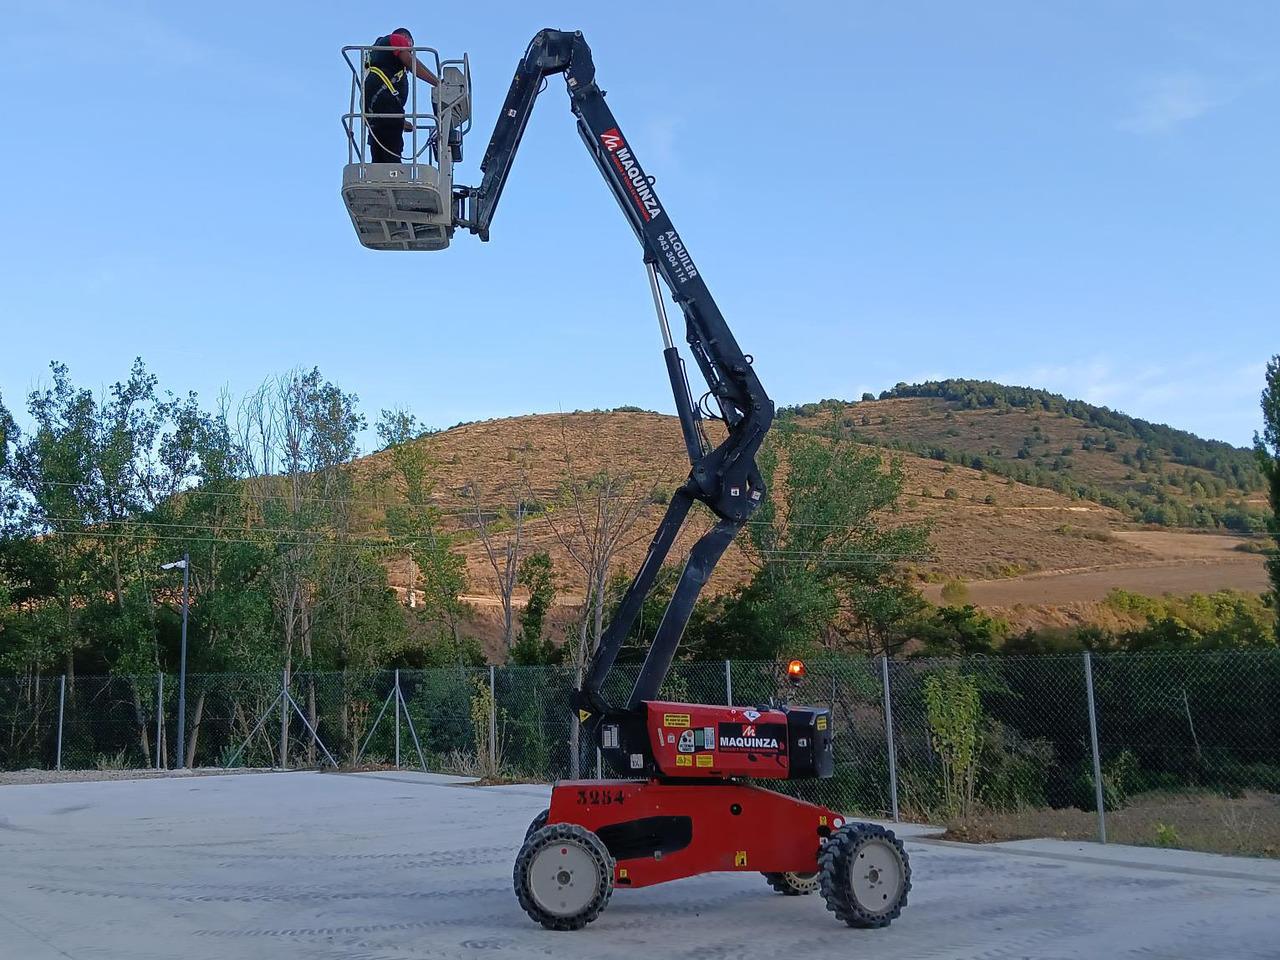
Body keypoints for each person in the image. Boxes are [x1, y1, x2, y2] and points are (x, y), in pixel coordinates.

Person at [363, 28, 439, 163]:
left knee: (380, 143)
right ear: (407, 39)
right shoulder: (397, 39)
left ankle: (381, 174)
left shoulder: (378, 53)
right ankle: (392, 173)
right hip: (384, 97)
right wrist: (438, 83)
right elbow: (412, 63)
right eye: (411, 46)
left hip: (375, 103)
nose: (410, 50)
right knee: (392, 147)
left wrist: (400, 121)